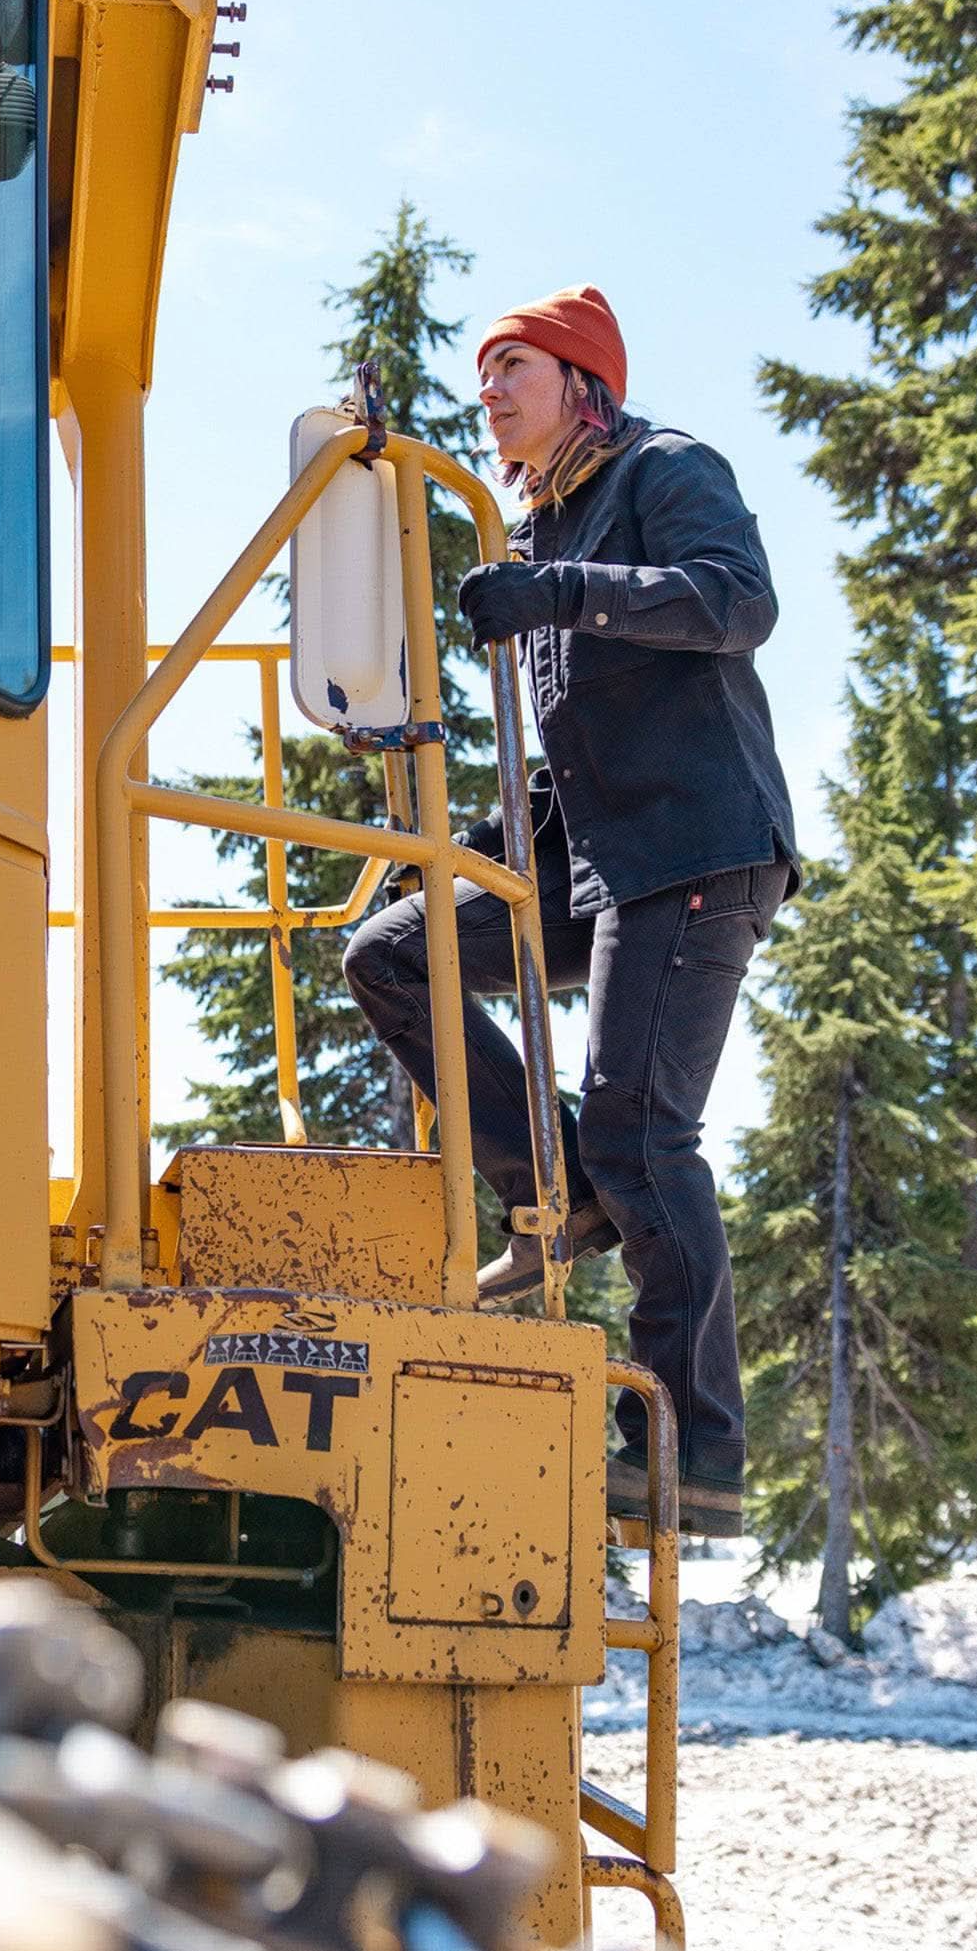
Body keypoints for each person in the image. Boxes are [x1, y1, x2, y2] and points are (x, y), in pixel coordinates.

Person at [342, 284, 799, 1536]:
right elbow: (575, 730)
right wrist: (477, 838)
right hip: (587, 838)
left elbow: (734, 601)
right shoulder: (539, 523)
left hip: (692, 842)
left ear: (580, 380)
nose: (487, 389)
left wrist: (564, 594)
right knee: (392, 951)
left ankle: (694, 1452)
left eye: (512, 369)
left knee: (644, 1130)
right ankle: (556, 1186)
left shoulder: (663, 468)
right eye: (483, 372)